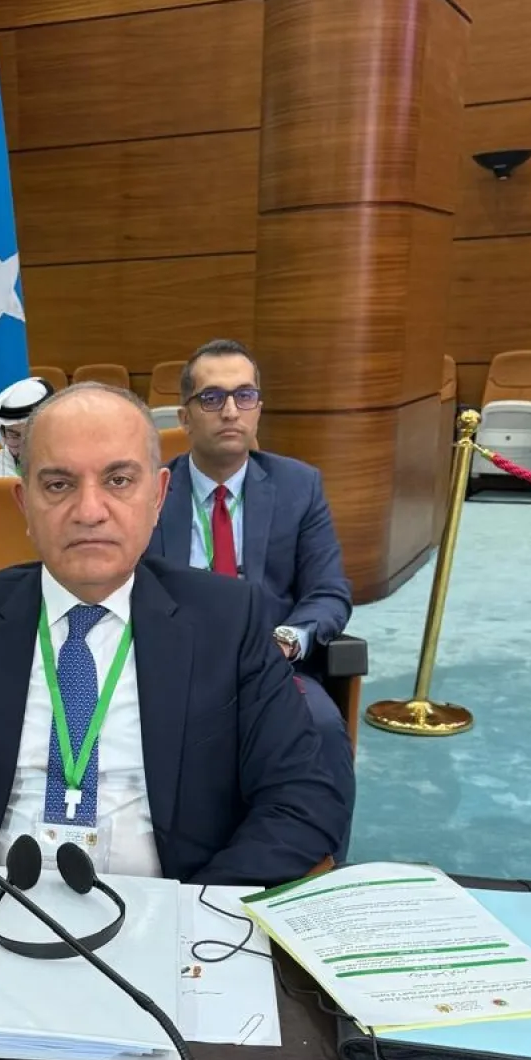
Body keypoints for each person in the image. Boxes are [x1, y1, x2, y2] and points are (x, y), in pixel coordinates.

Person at [0, 382, 351, 898]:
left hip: (170, 914)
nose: (90, 511)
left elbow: (304, 797)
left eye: (118, 480)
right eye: (58, 485)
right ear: (25, 504)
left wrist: (197, 908)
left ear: (158, 495)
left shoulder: (228, 620)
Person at [147, 338, 355, 807]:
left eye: (244, 396)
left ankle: (317, 849)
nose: (230, 411)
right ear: (184, 417)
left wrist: (286, 640)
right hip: (174, 665)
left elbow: (329, 592)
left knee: (321, 727)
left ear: (258, 409)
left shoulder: (299, 486)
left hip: (269, 662)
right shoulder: (151, 492)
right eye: (211, 397)